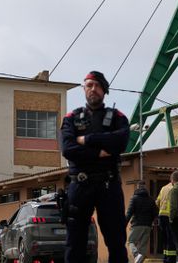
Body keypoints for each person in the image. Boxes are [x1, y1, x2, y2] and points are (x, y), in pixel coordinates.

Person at [60, 70, 129, 263]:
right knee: (75, 242)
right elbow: (68, 149)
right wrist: (98, 152)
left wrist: (87, 139)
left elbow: (120, 142)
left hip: (109, 185)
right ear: (84, 89)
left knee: (116, 240)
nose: (93, 89)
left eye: (97, 85)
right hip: (80, 185)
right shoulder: (71, 118)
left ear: (104, 90)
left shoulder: (117, 117)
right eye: (89, 85)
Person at [125, 181, 155, 263]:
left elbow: (129, 213)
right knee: (143, 246)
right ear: (145, 188)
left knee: (130, 241)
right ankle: (139, 260)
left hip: (137, 224)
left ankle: (135, 254)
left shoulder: (134, 198)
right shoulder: (151, 200)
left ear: (138, 187)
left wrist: (123, 224)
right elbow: (155, 213)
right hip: (148, 226)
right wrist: (151, 222)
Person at [155, 175, 178, 263]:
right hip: (170, 216)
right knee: (171, 238)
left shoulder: (163, 188)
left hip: (162, 216)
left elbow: (157, 202)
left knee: (164, 238)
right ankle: (171, 259)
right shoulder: (174, 189)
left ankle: (165, 258)